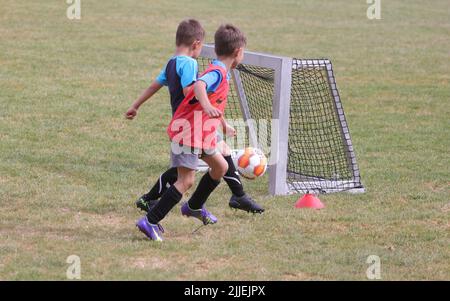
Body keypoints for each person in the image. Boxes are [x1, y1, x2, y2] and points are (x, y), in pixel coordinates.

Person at [126, 20, 264, 215]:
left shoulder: (171, 62)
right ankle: (151, 201)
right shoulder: (189, 63)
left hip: (192, 124)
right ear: (196, 44)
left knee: (219, 155)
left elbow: (154, 86)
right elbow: (192, 90)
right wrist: (206, 88)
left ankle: (237, 195)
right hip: (192, 126)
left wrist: (135, 105)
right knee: (183, 175)